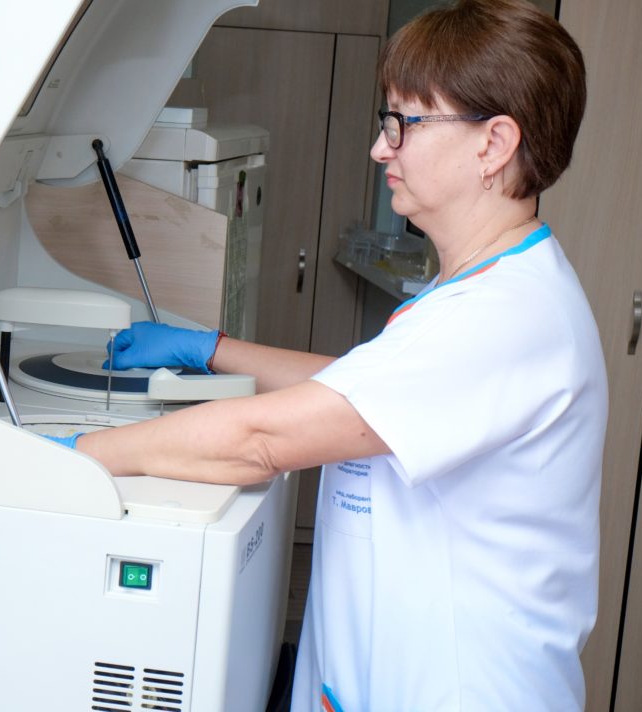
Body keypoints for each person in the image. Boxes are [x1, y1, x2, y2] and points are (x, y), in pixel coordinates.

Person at [48, 0, 606, 709]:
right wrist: (212, 350)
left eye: (403, 123)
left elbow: (262, 439)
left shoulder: (503, 318)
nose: (381, 149)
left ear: (493, 144)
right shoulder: (486, 289)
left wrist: (80, 455)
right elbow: (362, 392)